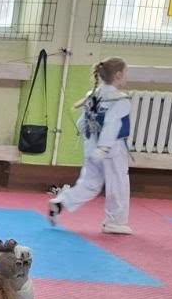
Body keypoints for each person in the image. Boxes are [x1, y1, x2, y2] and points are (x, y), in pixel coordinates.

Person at [49, 57, 133, 235]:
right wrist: (104, 148)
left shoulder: (92, 95)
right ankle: (115, 222)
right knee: (118, 184)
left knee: (90, 183)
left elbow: (82, 122)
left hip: (91, 145)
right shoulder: (120, 100)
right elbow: (112, 125)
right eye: (126, 73)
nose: (127, 77)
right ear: (118, 75)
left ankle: (61, 202)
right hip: (112, 149)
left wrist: (93, 145)